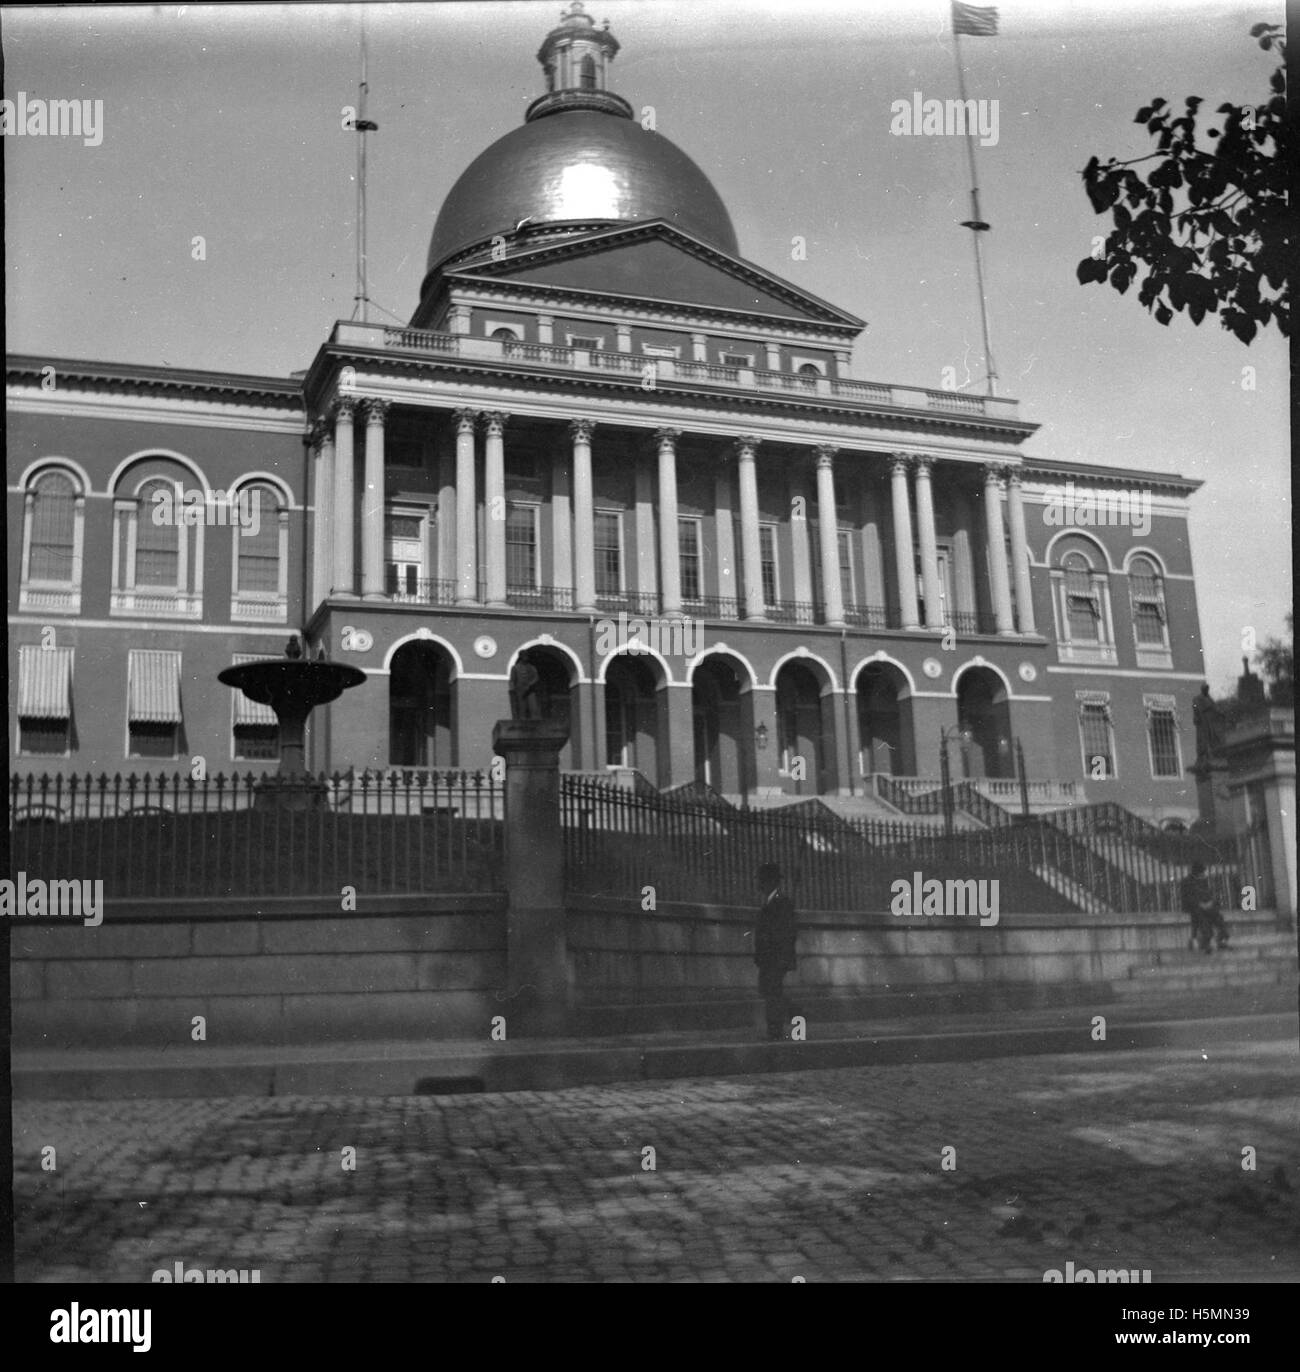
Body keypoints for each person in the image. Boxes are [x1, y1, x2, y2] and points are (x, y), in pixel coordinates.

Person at [754, 863, 798, 1041]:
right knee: (770, 992)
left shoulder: (781, 902)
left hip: (775, 958)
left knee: (773, 993)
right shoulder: (773, 901)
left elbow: (786, 932)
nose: (759, 885)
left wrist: (776, 954)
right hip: (770, 958)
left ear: (769, 882)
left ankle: (775, 1030)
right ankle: (776, 1027)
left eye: (762, 881)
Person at [1180, 861, 1230, 954]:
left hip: (1205, 905)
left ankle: (1222, 937)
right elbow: (1188, 898)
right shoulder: (1186, 882)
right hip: (1194, 907)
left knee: (1217, 916)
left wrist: (1210, 902)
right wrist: (1200, 904)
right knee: (1203, 918)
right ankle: (1206, 942)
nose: (1203, 874)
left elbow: (1209, 894)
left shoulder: (1202, 881)